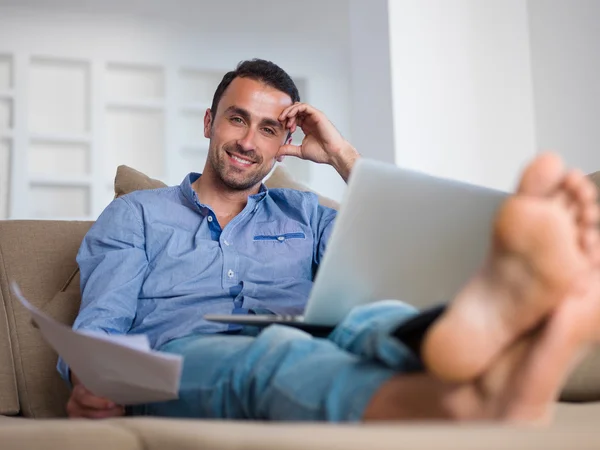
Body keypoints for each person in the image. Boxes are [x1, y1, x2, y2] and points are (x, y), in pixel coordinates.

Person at [59, 59, 600, 423]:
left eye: (269, 129)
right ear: (209, 122)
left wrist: (342, 156)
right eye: (237, 120)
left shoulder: (307, 212)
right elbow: (99, 330)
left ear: (287, 141)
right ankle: (471, 402)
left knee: (373, 319)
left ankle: (489, 349)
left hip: (318, 336)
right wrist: (93, 380)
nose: (248, 142)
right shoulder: (137, 215)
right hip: (181, 361)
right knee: (276, 353)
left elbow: (400, 258)